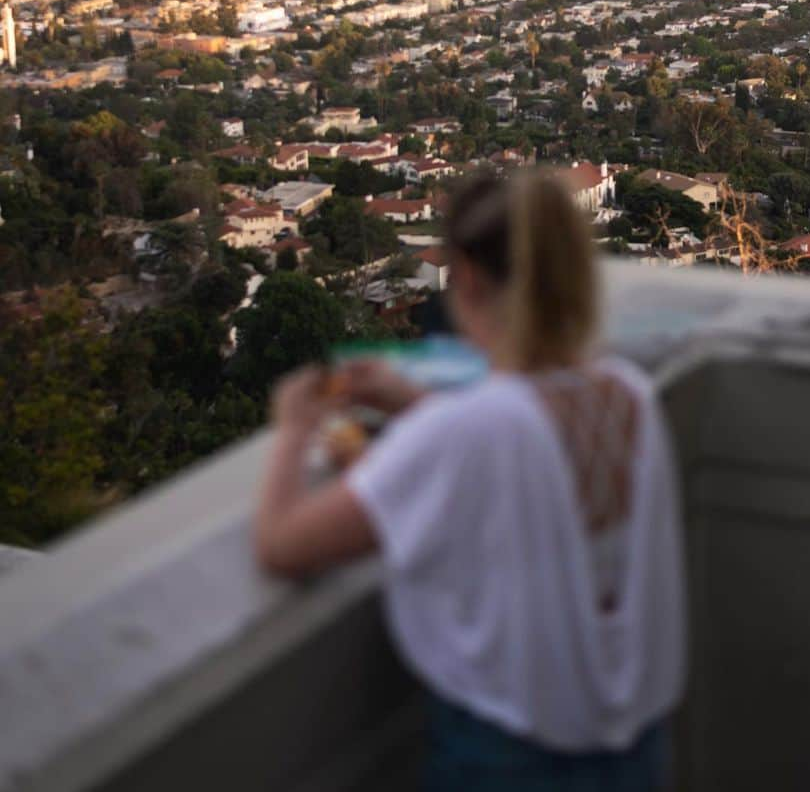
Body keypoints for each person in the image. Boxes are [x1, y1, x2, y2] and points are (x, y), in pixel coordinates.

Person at [255, 169, 686, 790]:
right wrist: (409, 401)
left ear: (470, 279)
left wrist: (294, 426)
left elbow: (282, 546)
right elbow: (522, 448)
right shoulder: (629, 396)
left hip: (510, 758)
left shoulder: (471, 429)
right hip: (637, 749)